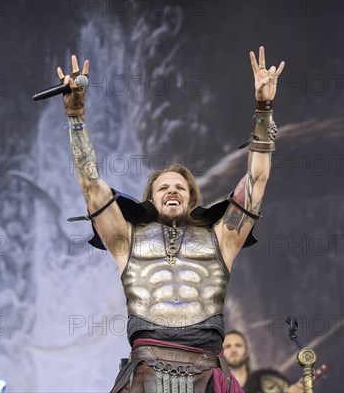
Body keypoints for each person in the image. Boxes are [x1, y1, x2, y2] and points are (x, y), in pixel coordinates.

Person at [57, 46, 284, 393]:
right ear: (150, 198)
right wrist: (76, 117)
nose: (172, 191)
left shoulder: (220, 238)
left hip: (207, 368)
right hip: (146, 367)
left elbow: (257, 180)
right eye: (163, 187)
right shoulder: (127, 240)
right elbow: (91, 186)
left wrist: (263, 109)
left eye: (180, 187)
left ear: (192, 198)